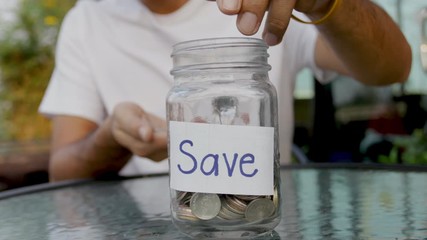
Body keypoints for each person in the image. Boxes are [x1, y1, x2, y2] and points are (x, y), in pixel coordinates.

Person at [39, 0, 412, 181]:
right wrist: (113, 138)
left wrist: (326, 4)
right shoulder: (86, 20)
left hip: (262, 225)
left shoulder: (261, 3)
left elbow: (393, 67)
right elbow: (62, 172)